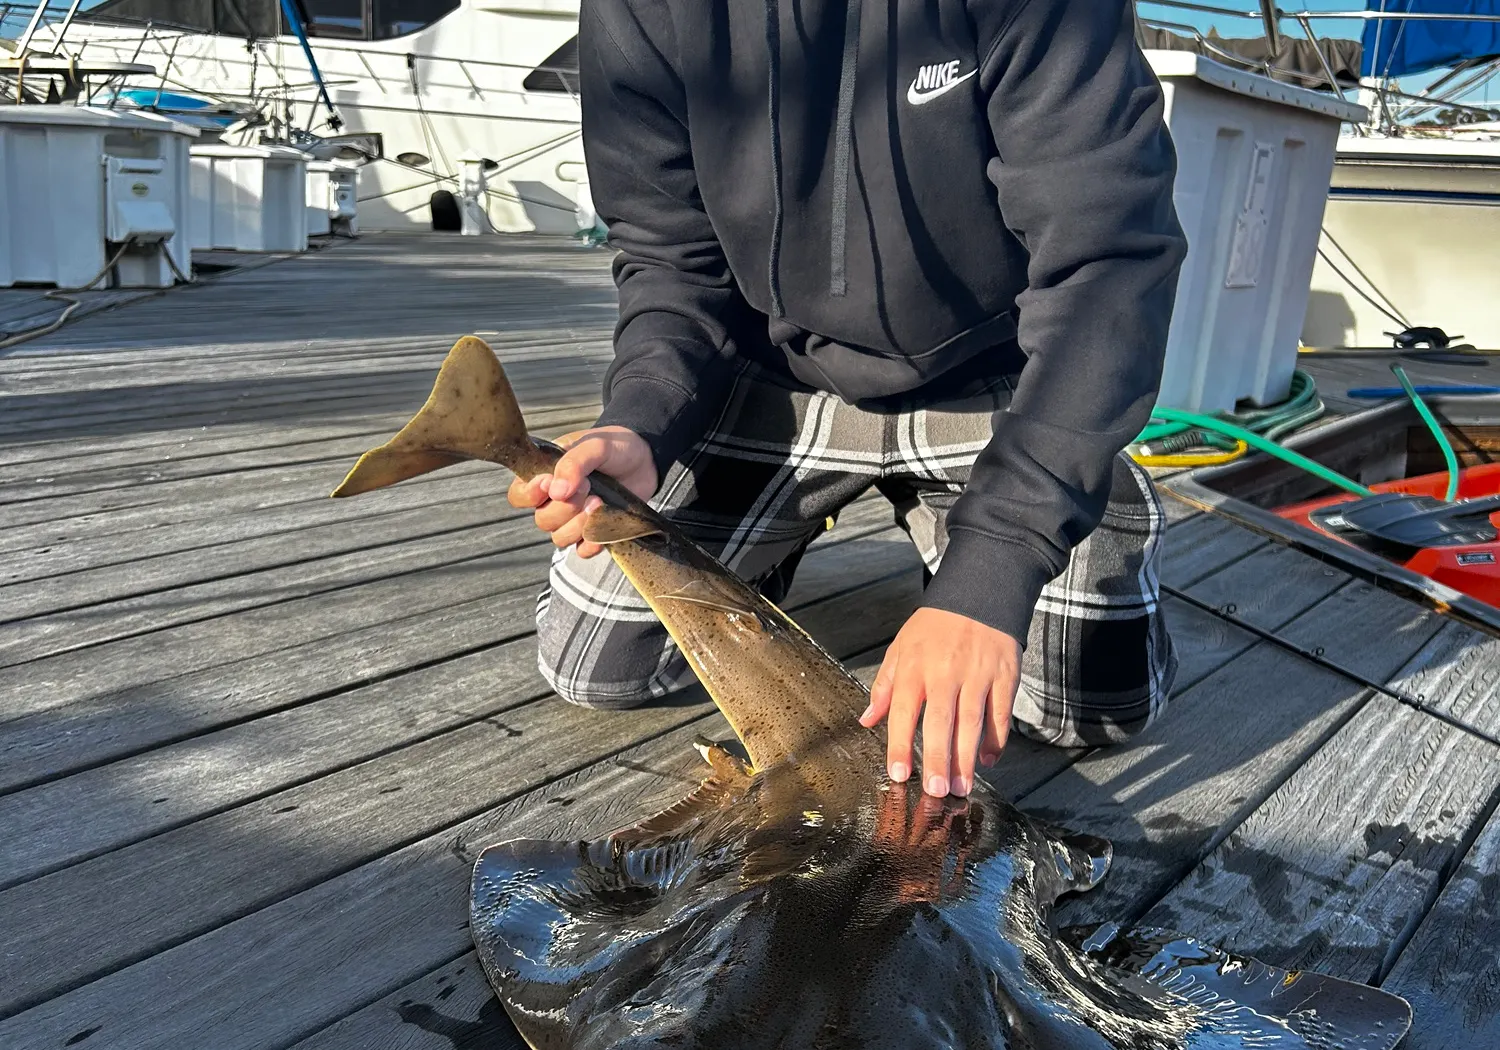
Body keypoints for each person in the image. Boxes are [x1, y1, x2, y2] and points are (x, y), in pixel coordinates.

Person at [510, 0, 1189, 799]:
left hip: (991, 385)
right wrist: (643, 420)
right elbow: (671, 265)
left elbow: (1108, 263)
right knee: (592, 665)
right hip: (776, 382)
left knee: (1092, 705)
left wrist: (995, 566)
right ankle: (782, 547)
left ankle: (1065, 495)